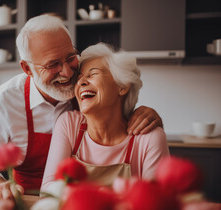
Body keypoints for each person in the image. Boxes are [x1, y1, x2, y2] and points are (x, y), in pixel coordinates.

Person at [0, 15, 163, 200]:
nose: (69, 72)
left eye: (71, 57)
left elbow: (117, 104)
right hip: (28, 202)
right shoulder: (3, 103)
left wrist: (145, 114)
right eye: (53, 64)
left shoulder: (84, 89)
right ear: (28, 69)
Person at [41, 43, 169, 192]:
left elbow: (156, 202)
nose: (81, 82)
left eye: (93, 74)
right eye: (80, 78)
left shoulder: (149, 137)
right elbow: (48, 190)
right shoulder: (69, 124)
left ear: (122, 86)